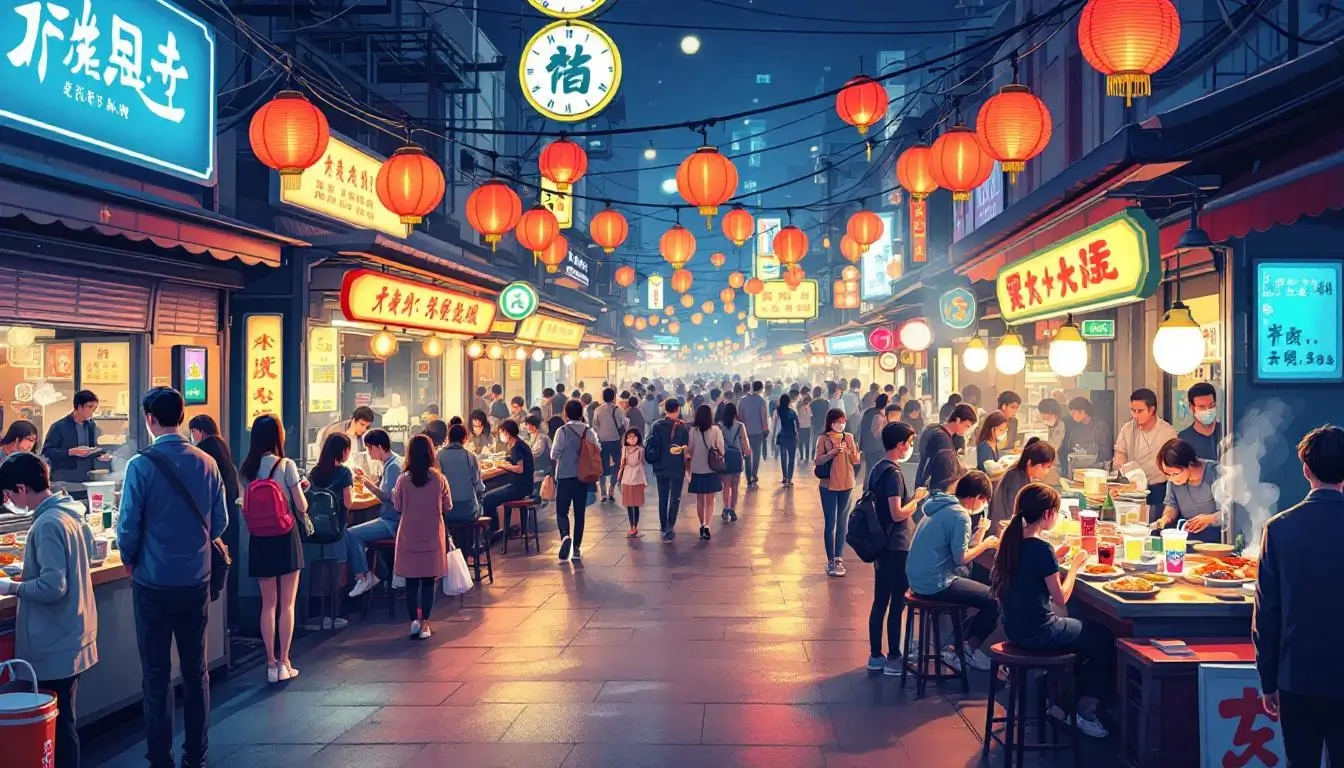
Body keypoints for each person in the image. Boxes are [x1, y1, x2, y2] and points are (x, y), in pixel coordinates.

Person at [115, 387, 228, 768]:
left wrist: (130, 561)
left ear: (149, 418)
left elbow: (127, 527)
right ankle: (196, 756)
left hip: (152, 584)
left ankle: (159, 760)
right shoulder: (206, 463)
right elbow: (221, 522)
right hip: (195, 581)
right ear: (181, 416)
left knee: (156, 678)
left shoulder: (139, 465)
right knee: (196, 674)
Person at [1254, 425, 1344, 766]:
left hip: (1297, 675)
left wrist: (1268, 680)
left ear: (1306, 469)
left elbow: (1267, 612)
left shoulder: (1278, 528)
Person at [0, 453, 97, 768]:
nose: (11, 500)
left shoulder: (46, 523)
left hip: (54, 639)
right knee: (65, 718)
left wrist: (12, 587)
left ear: (21, 488)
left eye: (10, 494)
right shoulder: (71, 512)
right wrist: (24, 568)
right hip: (73, 633)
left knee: (58, 723)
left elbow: (54, 586)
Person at [991, 483, 1110, 738]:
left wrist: (1058, 554)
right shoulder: (1041, 549)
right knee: (1103, 638)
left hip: (1013, 628)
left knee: (1084, 640)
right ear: (1048, 514)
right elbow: (1061, 598)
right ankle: (1083, 710)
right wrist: (1075, 566)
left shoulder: (1011, 541)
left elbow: (1030, 569)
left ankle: (1059, 701)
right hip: (1040, 632)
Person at [906, 470, 999, 672]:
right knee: (994, 600)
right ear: (976, 497)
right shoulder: (960, 515)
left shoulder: (940, 505)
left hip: (917, 578)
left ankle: (956, 644)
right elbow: (961, 559)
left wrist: (980, 534)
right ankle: (964, 649)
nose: (983, 505)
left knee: (981, 596)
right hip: (935, 582)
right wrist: (986, 544)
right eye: (984, 500)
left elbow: (957, 550)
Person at [238, 414, 306, 683]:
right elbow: (302, 507)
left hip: (259, 538)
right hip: (286, 535)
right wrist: (300, 488)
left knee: (268, 604)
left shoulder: (247, 468)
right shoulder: (286, 464)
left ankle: (269, 664)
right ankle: (285, 661)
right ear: (278, 436)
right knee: (287, 604)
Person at [866, 421, 929, 675]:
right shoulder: (894, 473)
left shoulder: (876, 469)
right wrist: (916, 499)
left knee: (880, 600)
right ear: (900, 444)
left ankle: (875, 655)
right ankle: (893, 657)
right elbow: (897, 513)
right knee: (896, 602)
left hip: (880, 543)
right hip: (896, 545)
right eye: (910, 442)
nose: (910, 447)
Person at [393, 434, 451, 640]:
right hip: (432, 535)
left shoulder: (403, 479)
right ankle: (425, 623)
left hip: (408, 535)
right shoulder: (438, 478)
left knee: (411, 582)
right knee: (428, 582)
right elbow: (448, 506)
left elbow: (397, 506)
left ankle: (413, 622)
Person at [980, 438, 1058, 580]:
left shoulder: (1020, 474)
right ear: (1030, 463)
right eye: (1045, 466)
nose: (1047, 471)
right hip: (1001, 539)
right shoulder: (1017, 479)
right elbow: (1018, 517)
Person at [345, 429, 401, 597]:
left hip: (391, 521)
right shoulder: (392, 462)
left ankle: (363, 577)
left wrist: (365, 482)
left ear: (379, 447)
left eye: (370, 448)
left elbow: (386, 496)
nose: (368, 452)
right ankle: (378, 573)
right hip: (392, 518)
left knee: (351, 534)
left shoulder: (393, 466)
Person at [551, 399, 600, 562]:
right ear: (581, 413)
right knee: (580, 512)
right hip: (583, 477)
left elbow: (554, 454)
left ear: (565, 413)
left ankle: (565, 536)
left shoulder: (562, 431)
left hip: (564, 476)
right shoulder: (588, 431)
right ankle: (577, 548)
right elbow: (596, 449)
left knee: (562, 511)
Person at [1113, 389, 1179, 510]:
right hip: (1132, 489)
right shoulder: (1127, 429)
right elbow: (1120, 453)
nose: (1135, 415)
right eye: (1133, 411)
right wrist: (1123, 469)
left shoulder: (1167, 431)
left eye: (1140, 411)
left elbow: (1173, 461)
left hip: (1159, 488)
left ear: (1152, 410)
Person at [815, 408, 860, 577]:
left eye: (843, 421)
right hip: (828, 486)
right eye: (838, 421)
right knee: (830, 523)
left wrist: (850, 450)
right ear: (831, 422)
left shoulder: (849, 437)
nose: (841, 424)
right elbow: (818, 460)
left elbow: (856, 460)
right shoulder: (824, 439)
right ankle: (830, 559)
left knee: (842, 522)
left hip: (846, 484)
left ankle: (839, 557)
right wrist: (832, 453)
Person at [1152, 438, 1224, 543]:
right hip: (1188, 539)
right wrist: (1166, 518)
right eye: (1167, 475)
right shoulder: (1173, 481)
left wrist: (1209, 519)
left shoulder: (1215, 473)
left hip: (1217, 542)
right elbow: (1172, 504)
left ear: (1190, 463)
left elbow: (1230, 513)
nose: (1171, 478)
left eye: (1175, 474)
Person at [41, 389, 111, 482]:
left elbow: (92, 448)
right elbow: (47, 452)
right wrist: (71, 452)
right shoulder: (59, 426)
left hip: (87, 477)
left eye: (94, 408)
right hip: (64, 479)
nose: (92, 411)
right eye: (89, 407)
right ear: (79, 407)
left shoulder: (91, 425)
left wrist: (99, 455)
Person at [648, 398, 690, 541]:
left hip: (660, 466)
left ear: (665, 409)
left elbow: (650, 444)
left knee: (663, 497)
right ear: (677, 409)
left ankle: (663, 526)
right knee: (675, 497)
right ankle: (670, 526)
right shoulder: (682, 427)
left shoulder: (656, 425)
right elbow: (687, 447)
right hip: (677, 467)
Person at [480, 421, 534, 527]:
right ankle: (495, 529)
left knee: (487, 498)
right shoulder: (518, 444)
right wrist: (505, 459)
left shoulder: (517, 448)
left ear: (507, 433)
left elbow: (520, 469)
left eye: (501, 433)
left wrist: (502, 466)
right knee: (489, 493)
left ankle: (492, 531)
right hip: (524, 484)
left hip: (520, 487)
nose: (500, 436)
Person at [684, 404, 725, 541]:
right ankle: (707, 525)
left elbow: (689, 451)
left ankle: (701, 524)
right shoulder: (716, 430)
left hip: (697, 469)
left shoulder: (693, 432)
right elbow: (721, 449)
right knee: (710, 499)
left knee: (700, 499)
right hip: (711, 469)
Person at [915, 404, 977, 490]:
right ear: (958, 420)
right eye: (967, 426)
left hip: (924, 485)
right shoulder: (943, 439)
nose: (966, 430)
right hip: (935, 491)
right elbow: (947, 472)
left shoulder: (934, 429)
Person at [439, 424, 485, 524]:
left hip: (447, 512)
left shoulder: (438, 456)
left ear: (448, 438)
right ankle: (477, 539)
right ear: (465, 438)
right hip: (468, 511)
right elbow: (479, 487)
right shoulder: (470, 456)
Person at [593, 387, 628, 503]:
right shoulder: (618, 410)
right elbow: (624, 424)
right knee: (616, 466)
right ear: (613, 397)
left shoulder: (597, 410)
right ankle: (611, 491)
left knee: (602, 467)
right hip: (615, 441)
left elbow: (594, 426)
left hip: (602, 441)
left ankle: (602, 493)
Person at [718, 402, 748, 523]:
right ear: (735, 413)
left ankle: (725, 508)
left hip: (725, 458)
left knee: (726, 486)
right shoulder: (740, 426)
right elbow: (744, 441)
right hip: (737, 458)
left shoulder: (720, 426)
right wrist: (746, 452)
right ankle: (733, 509)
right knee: (735, 486)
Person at [1178, 382, 1222, 461]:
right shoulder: (1184, 439)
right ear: (1191, 408)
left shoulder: (1226, 431)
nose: (1208, 411)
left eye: (1211, 406)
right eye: (1202, 407)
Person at [617, 428, 648, 537]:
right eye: (629, 437)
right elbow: (622, 463)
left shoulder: (640, 450)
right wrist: (619, 476)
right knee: (629, 504)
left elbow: (640, 464)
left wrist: (644, 480)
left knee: (636, 505)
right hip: (627, 478)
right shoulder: (624, 449)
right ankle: (632, 527)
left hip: (637, 478)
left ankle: (634, 527)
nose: (631, 439)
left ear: (638, 438)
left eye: (634, 437)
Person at [738, 381, 769, 488]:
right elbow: (763, 418)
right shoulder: (761, 401)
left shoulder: (742, 401)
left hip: (745, 432)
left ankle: (748, 477)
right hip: (757, 432)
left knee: (747, 454)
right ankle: (754, 475)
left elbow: (740, 417)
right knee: (756, 455)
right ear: (761, 389)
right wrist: (765, 429)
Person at [1067, 396, 1113, 467]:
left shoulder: (1100, 428)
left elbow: (1106, 453)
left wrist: (1088, 454)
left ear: (1083, 412)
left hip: (1097, 468)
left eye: (1073, 413)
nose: (1072, 416)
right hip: (1079, 467)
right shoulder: (1075, 429)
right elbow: (1070, 449)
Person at [772, 393, 801, 485]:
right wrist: (798, 434)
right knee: (791, 458)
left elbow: (775, 425)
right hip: (792, 436)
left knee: (783, 457)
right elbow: (797, 423)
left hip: (782, 436)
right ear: (788, 402)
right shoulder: (792, 412)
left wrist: (773, 436)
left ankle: (784, 477)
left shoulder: (777, 411)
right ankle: (789, 478)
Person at [858, 394, 890, 475]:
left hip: (867, 447)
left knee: (869, 470)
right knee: (874, 471)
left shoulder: (868, 412)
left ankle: (867, 487)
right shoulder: (878, 416)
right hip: (876, 449)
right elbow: (877, 434)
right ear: (885, 404)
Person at [1036, 399, 1069, 474]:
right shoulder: (1053, 424)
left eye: (1045, 417)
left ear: (1051, 413)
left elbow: (1054, 446)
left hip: (1060, 465)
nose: (1044, 419)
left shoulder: (1061, 425)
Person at [524, 415, 553, 497]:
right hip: (535, 465)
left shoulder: (543, 438)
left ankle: (534, 496)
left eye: (527, 424)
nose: (525, 426)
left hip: (541, 467)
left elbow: (537, 453)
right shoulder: (531, 437)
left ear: (533, 426)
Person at [798, 392, 814, 464]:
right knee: (806, 443)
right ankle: (806, 457)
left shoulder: (799, 407)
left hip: (801, 427)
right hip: (807, 427)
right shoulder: (809, 408)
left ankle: (802, 456)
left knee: (801, 443)